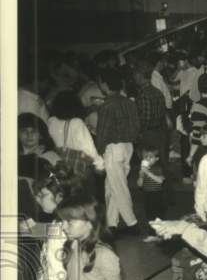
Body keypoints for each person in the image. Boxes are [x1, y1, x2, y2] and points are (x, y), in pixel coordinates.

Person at [95, 69, 140, 234]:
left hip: (113, 148)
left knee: (118, 187)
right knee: (112, 187)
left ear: (105, 84)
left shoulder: (107, 105)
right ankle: (111, 224)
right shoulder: (129, 102)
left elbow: (103, 133)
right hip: (128, 146)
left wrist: (99, 152)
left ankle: (132, 224)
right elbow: (137, 128)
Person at [47, 91, 104, 171]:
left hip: (57, 166)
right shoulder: (77, 122)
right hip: (75, 169)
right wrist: (100, 165)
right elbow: (88, 148)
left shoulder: (51, 121)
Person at [137, 144, 167, 241]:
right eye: (146, 157)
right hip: (147, 195)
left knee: (158, 215)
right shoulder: (144, 170)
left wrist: (147, 173)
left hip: (157, 195)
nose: (148, 159)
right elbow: (140, 185)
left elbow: (160, 181)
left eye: (151, 157)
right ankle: (153, 234)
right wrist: (141, 176)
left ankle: (159, 234)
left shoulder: (157, 168)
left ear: (156, 158)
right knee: (149, 215)